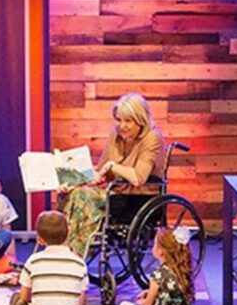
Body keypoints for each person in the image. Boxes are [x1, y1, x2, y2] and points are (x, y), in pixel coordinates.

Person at [61, 92, 166, 256]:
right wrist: (74, 180)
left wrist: (113, 166)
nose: (122, 125)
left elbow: (138, 178)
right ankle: (64, 250)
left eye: (128, 121)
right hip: (116, 192)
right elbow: (101, 173)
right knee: (71, 193)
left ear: (140, 120)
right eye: (118, 120)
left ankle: (76, 253)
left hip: (138, 197)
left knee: (82, 196)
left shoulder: (152, 138)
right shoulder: (115, 134)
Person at [10, 211, 89, 305]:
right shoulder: (79, 263)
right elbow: (80, 302)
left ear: (39, 240)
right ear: (68, 233)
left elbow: (24, 297)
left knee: (15, 298)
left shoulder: (33, 261)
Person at [117, 226, 193, 305]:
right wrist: (150, 291)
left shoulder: (158, 274)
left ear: (161, 251)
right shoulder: (182, 271)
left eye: (154, 244)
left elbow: (148, 304)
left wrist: (140, 303)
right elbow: (171, 292)